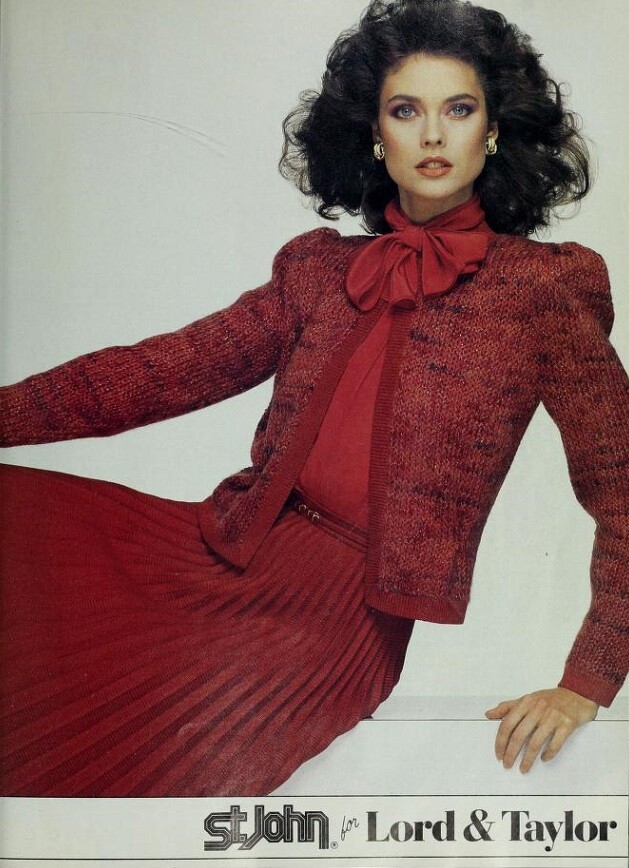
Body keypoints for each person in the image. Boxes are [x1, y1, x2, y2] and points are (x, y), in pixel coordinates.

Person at [0, 0, 627, 796]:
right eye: (406, 111)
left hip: (337, 622)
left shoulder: (544, 289)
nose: (432, 136)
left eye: (459, 110)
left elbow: (622, 486)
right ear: (374, 134)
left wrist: (586, 681)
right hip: (224, 552)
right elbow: (160, 372)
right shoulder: (317, 270)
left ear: (494, 130)